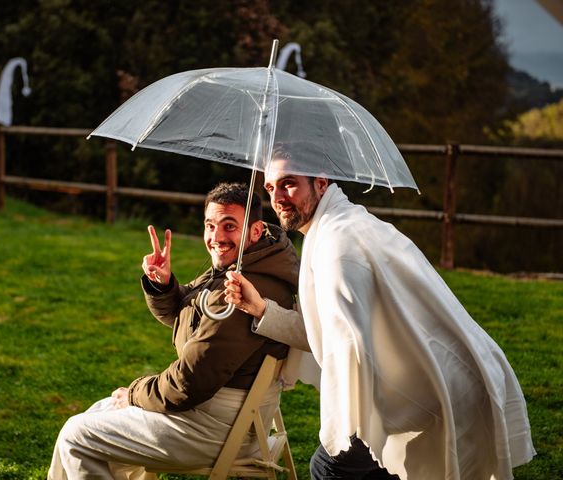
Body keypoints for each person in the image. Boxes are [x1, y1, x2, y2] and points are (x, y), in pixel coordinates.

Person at [224, 147, 536, 480]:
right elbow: (328, 331)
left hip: (441, 386)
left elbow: (349, 348)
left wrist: (342, 426)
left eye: (289, 183)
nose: (278, 197)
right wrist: (259, 308)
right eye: (271, 188)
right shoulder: (344, 222)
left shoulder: (337, 246)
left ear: (321, 181)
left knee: (331, 466)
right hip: (448, 375)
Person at [48, 182, 299, 480]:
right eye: (210, 225)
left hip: (217, 428)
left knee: (78, 435)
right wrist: (163, 284)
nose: (216, 237)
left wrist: (134, 393)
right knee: (97, 412)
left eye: (229, 226)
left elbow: (189, 383)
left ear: (255, 231)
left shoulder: (240, 290)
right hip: (229, 416)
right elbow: (186, 315)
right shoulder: (248, 262)